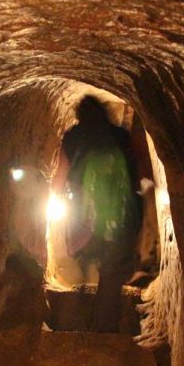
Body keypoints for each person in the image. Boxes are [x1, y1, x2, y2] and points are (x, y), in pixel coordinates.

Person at [51, 96, 142, 332]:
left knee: (83, 261)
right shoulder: (121, 136)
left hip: (84, 220)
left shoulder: (73, 137)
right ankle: (104, 330)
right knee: (111, 276)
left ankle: (73, 315)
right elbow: (136, 175)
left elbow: (60, 178)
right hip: (119, 218)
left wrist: (57, 198)